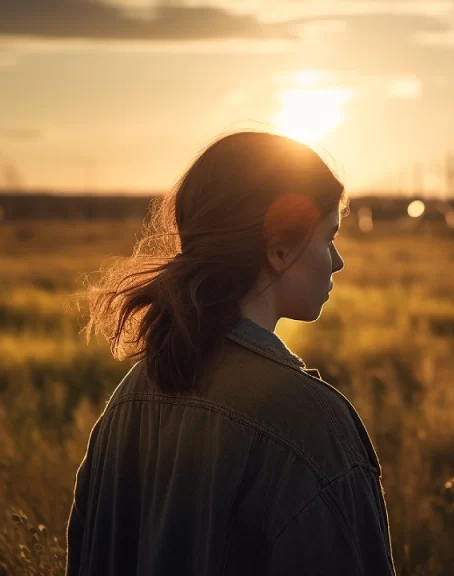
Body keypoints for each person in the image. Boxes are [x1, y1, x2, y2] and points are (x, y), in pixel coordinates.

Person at [68, 132, 396, 575]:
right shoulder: (310, 422)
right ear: (279, 249)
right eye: (329, 238)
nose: (337, 262)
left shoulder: (132, 397)